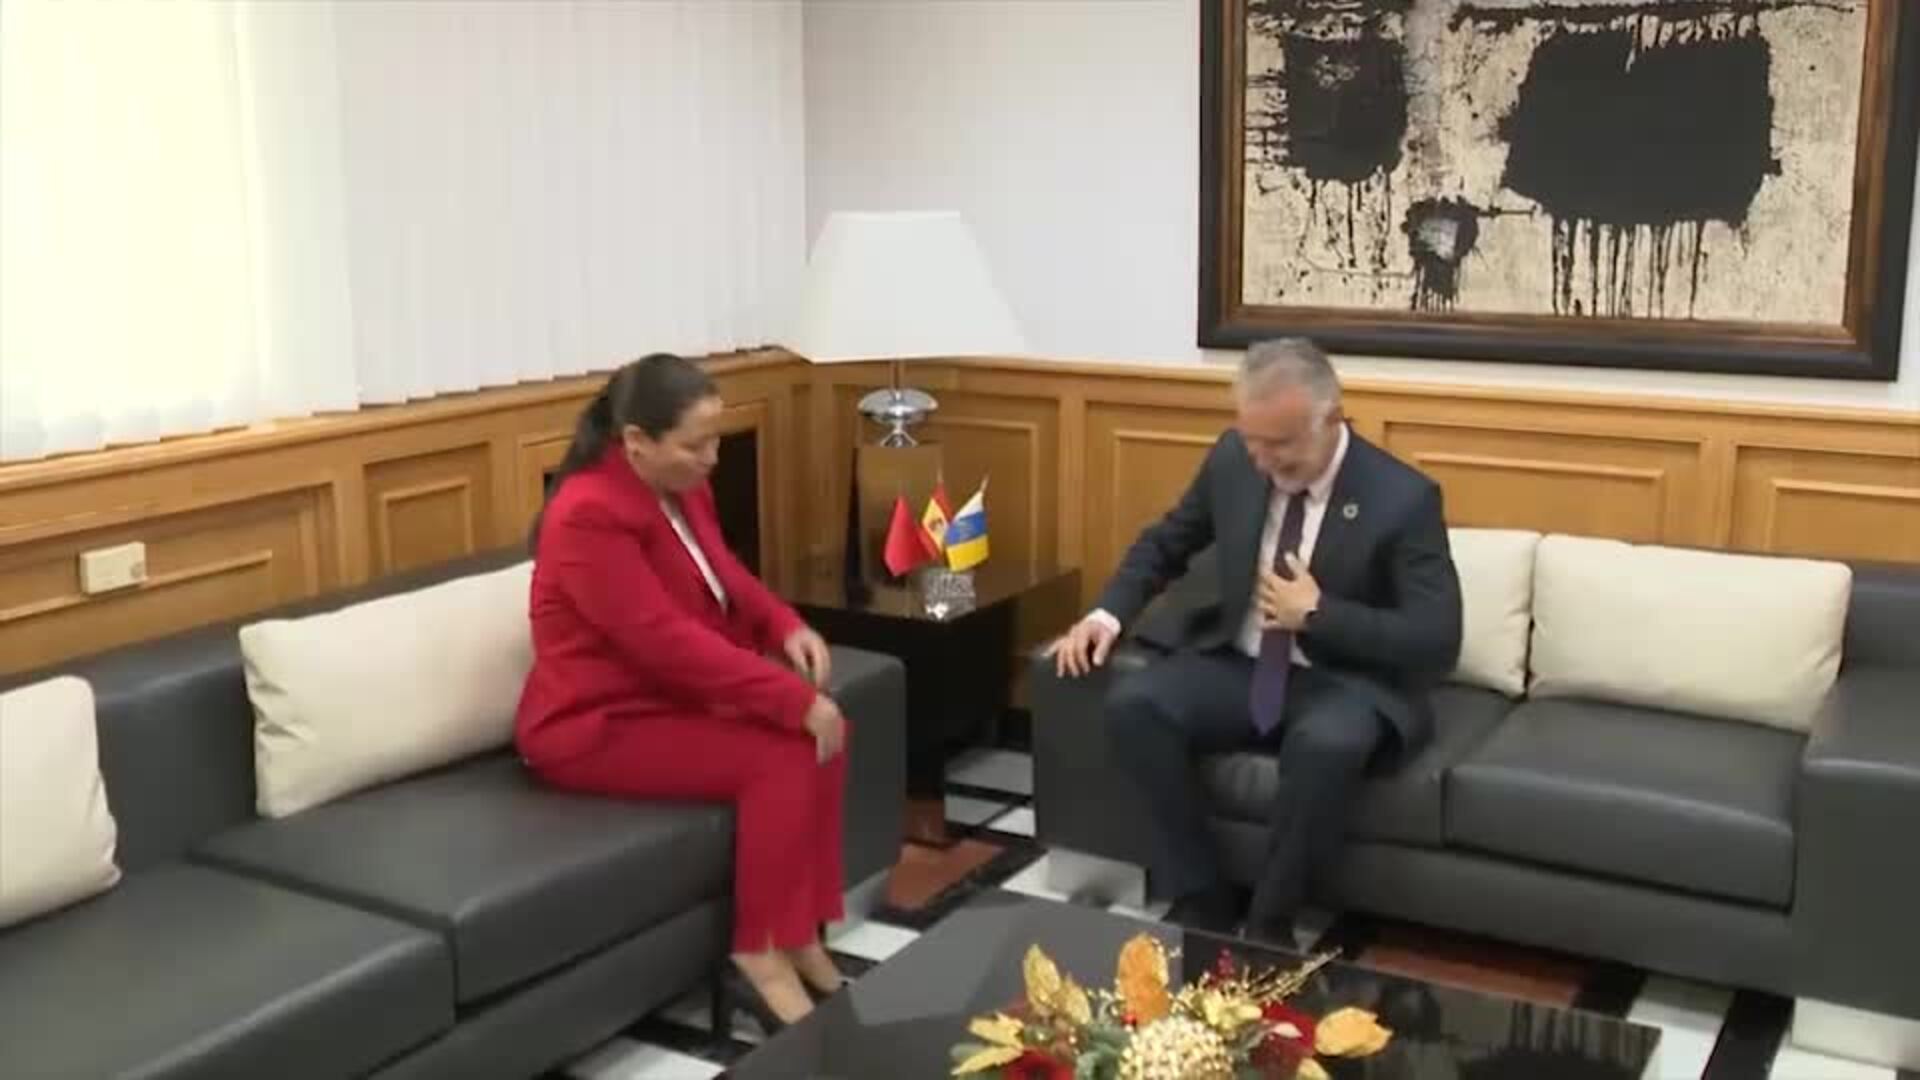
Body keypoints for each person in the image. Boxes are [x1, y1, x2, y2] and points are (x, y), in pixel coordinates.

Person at [1047, 337, 1462, 941]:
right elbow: (1168, 542)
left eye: (1282, 447)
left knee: (1326, 747)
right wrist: (1106, 615)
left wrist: (1319, 614)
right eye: (1253, 442)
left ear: (1331, 419)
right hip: (1240, 665)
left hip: (1342, 680)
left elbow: (1437, 638)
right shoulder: (1234, 460)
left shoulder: (1402, 499)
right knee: (1136, 705)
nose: (1264, 463)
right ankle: (1202, 896)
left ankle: (1271, 922)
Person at [516, 353, 848, 1031]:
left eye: (715, 439)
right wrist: (790, 699)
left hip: (664, 701)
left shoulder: (682, 485)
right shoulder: (585, 514)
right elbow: (661, 640)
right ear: (637, 441)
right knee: (783, 751)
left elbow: (726, 573)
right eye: (696, 445)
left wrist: (783, 623)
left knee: (828, 737)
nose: (712, 458)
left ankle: (800, 934)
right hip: (596, 724)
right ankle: (758, 955)